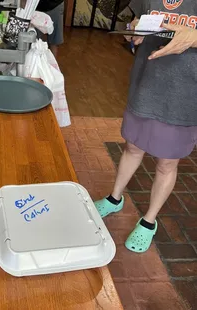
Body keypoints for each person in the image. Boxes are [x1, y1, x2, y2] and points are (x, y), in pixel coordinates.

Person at [95, 0, 197, 253]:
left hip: (186, 93)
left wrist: (193, 37)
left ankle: (149, 221)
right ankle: (114, 198)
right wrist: (133, 32)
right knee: (133, 146)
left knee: (167, 162)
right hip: (146, 83)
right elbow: (137, 25)